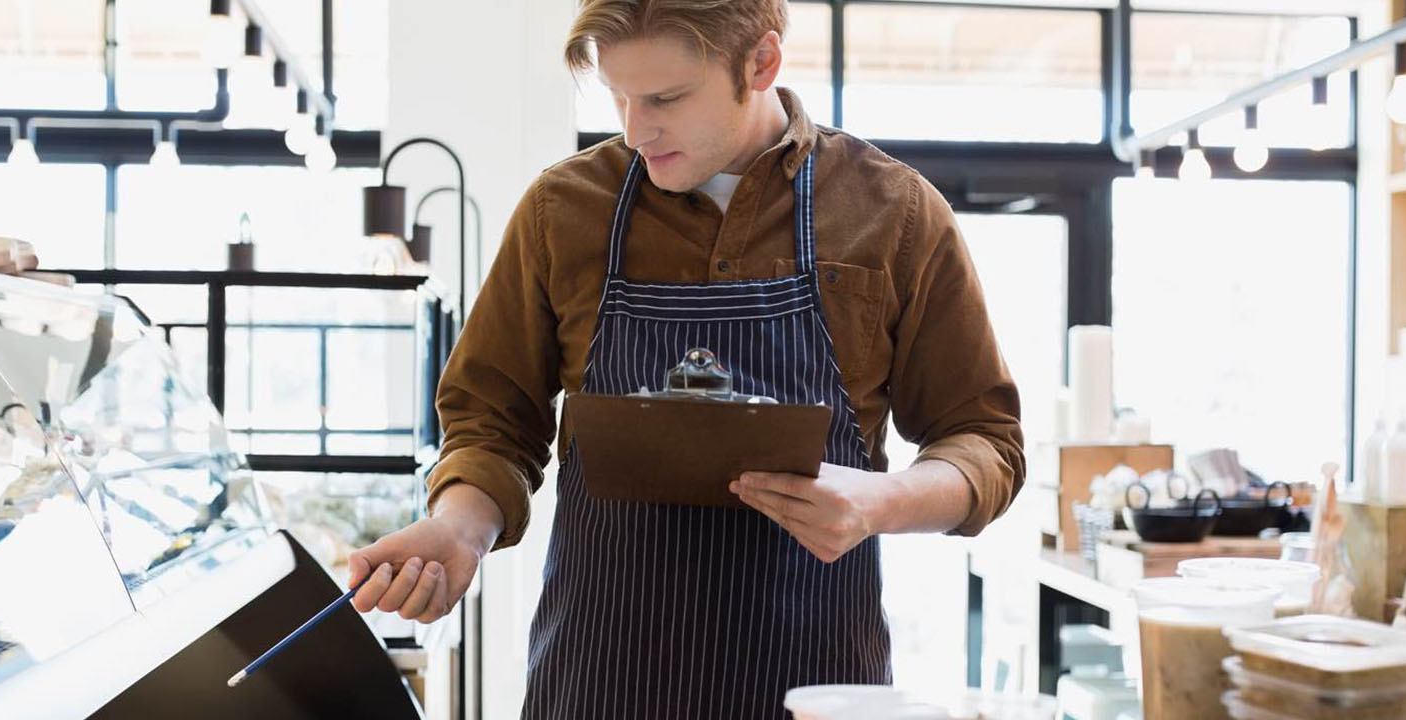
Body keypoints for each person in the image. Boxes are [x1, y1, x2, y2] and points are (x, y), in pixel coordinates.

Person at [347, 1, 1025, 716]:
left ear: (761, 63)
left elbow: (985, 442)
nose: (635, 130)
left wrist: (880, 502)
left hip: (813, 691)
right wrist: (461, 528)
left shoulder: (893, 212)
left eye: (666, 99)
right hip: (600, 688)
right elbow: (492, 422)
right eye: (619, 96)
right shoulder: (562, 209)